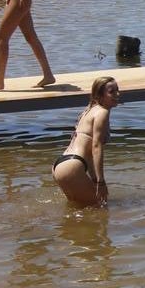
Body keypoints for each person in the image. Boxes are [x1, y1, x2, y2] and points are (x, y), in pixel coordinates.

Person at [52, 76, 120, 207]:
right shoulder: (102, 112)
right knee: (100, 207)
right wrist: (101, 181)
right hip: (72, 167)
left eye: (118, 90)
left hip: (61, 165)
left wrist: (93, 179)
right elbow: (96, 147)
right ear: (99, 95)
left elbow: (87, 152)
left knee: (78, 209)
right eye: (112, 92)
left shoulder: (88, 111)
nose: (117, 94)